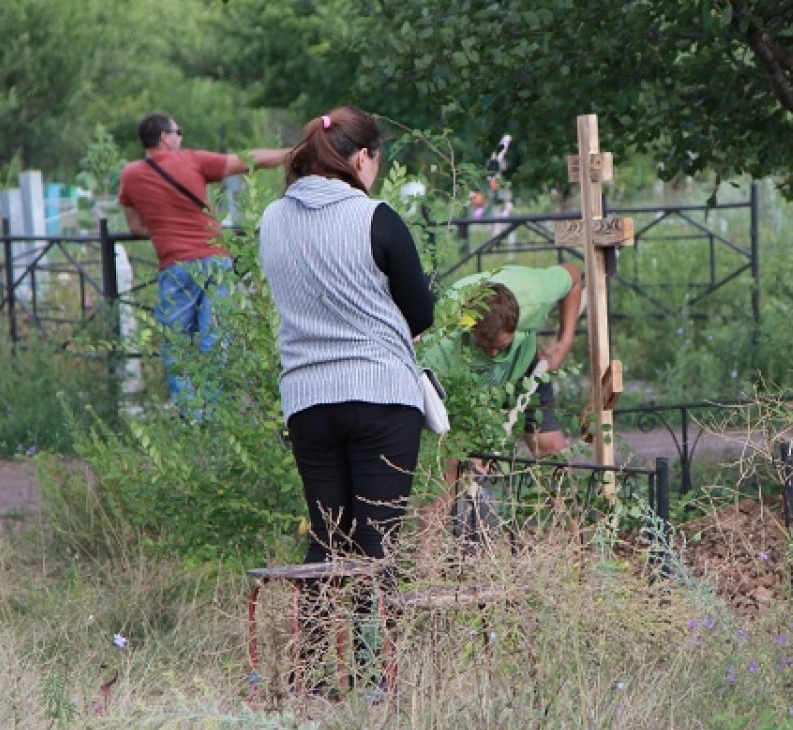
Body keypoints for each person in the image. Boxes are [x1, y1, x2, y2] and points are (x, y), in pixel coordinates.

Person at [260, 105, 434, 569]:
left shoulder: (272, 219)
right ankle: (371, 645)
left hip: (308, 398)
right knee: (377, 547)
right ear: (361, 158)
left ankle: (313, 643)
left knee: (327, 543)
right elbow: (421, 312)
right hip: (380, 394)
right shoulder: (377, 217)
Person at [117, 111, 289, 406]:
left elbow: (135, 227)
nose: (181, 138)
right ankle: (215, 414)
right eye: (178, 131)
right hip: (215, 261)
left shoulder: (131, 175)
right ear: (164, 137)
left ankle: (189, 415)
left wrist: (164, 227)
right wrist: (291, 154)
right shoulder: (191, 160)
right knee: (215, 339)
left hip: (175, 266)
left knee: (178, 343)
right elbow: (249, 160)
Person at [429, 263, 583, 456]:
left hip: (523, 361)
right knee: (458, 462)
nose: (493, 353)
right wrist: (463, 447)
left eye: (500, 346)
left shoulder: (534, 294)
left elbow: (574, 275)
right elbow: (441, 413)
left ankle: (560, 486)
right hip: (470, 384)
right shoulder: (444, 341)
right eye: (485, 347)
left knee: (549, 446)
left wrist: (565, 342)